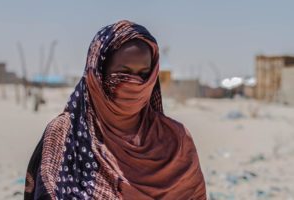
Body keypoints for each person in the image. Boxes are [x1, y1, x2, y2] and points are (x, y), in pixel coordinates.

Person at [24, 20, 206, 200]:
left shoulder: (175, 139)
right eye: (123, 74)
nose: (134, 84)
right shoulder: (65, 135)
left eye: (144, 74)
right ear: (98, 74)